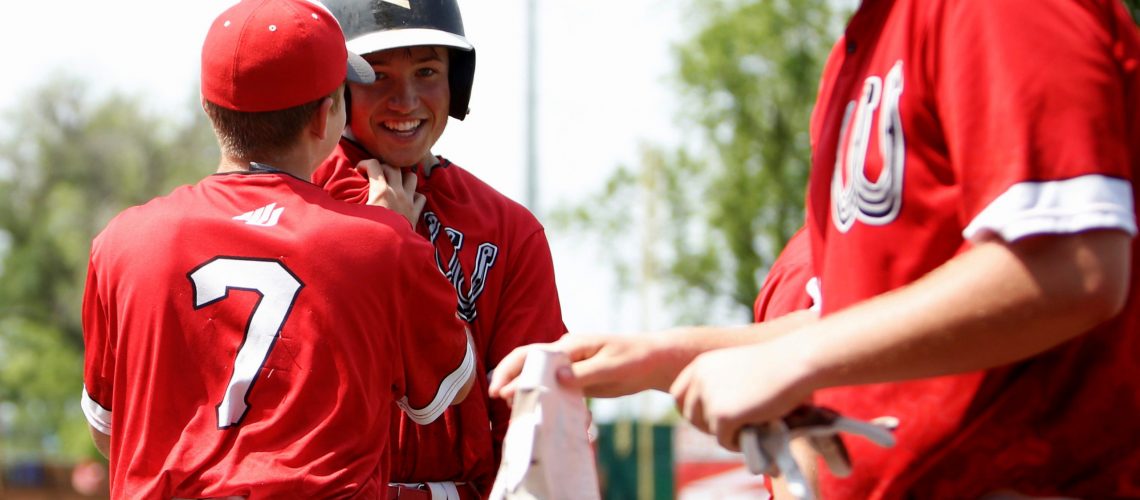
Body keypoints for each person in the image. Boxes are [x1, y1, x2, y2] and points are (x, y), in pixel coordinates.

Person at [491, 0, 1140, 497]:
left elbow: (1073, 263)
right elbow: (859, 315)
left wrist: (795, 361)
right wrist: (663, 357)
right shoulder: (863, 47)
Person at [80, 0, 475, 497]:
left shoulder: (123, 242)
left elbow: (105, 430)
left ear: (209, 108)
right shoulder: (383, 243)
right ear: (326, 115)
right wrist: (395, 239)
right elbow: (452, 386)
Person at [312, 1, 568, 497]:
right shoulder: (299, 207)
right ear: (338, 86)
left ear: (458, 80)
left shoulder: (507, 229)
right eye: (378, 75)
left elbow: (534, 416)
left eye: (427, 70)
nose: (405, 100)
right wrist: (382, 245)